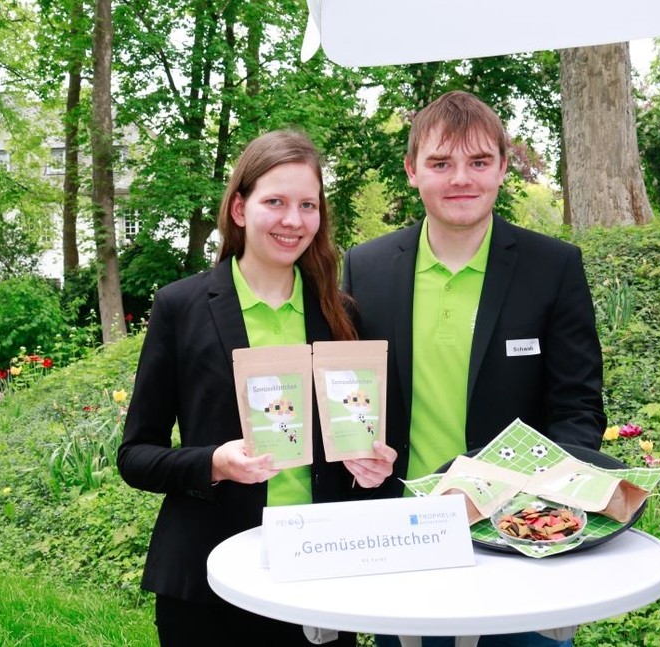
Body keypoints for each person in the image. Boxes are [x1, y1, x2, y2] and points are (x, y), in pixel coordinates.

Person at [341, 91, 606, 647]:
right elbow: (351, 396)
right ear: (413, 171)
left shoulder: (553, 266)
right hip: (405, 537)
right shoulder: (365, 269)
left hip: (519, 541)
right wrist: (355, 449)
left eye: (479, 162)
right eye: (441, 164)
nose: (461, 178)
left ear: (504, 168)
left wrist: (548, 508)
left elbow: (576, 406)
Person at [118, 129, 396, 647]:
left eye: (307, 205)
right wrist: (214, 464)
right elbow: (135, 455)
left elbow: (355, 446)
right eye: (276, 201)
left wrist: (370, 469)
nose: (293, 220)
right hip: (210, 581)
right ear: (240, 209)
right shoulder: (181, 307)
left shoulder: (341, 317)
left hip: (320, 571)